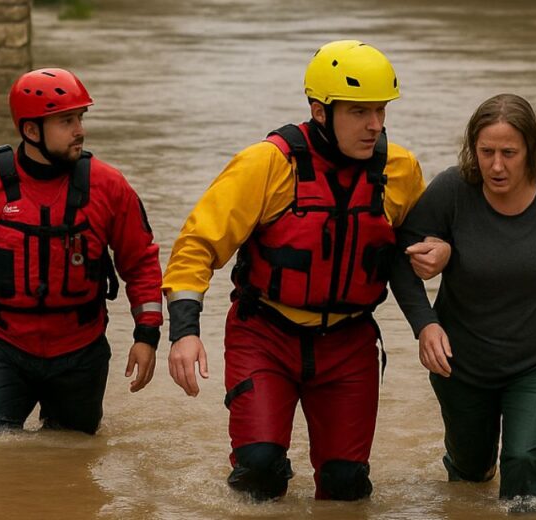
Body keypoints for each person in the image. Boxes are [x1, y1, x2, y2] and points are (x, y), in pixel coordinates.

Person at [163, 40, 447, 501]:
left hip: (349, 342)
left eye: (380, 110)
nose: (375, 125)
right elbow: (197, 245)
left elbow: (422, 246)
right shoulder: (267, 163)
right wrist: (184, 331)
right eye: (359, 112)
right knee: (259, 472)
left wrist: (440, 255)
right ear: (320, 111)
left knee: (346, 487)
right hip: (266, 334)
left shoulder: (400, 170)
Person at [389, 93, 536, 508]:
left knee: (523, 460)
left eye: (509, 153)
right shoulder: (452, 190)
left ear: (531, 151)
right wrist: (425, 324)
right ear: (473, 151)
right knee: (469, 474)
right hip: (462, 362)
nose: (496, 165)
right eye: (486, 152)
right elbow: (399, 256)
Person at [0, 68, 163, 435]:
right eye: (66, 120)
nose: (80, 130)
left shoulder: (109, 186)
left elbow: (140, 263)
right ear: (31, 130)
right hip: (2, 348)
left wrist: (146, 336)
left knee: (73, 466)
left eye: (80, 118)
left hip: (81, 353)